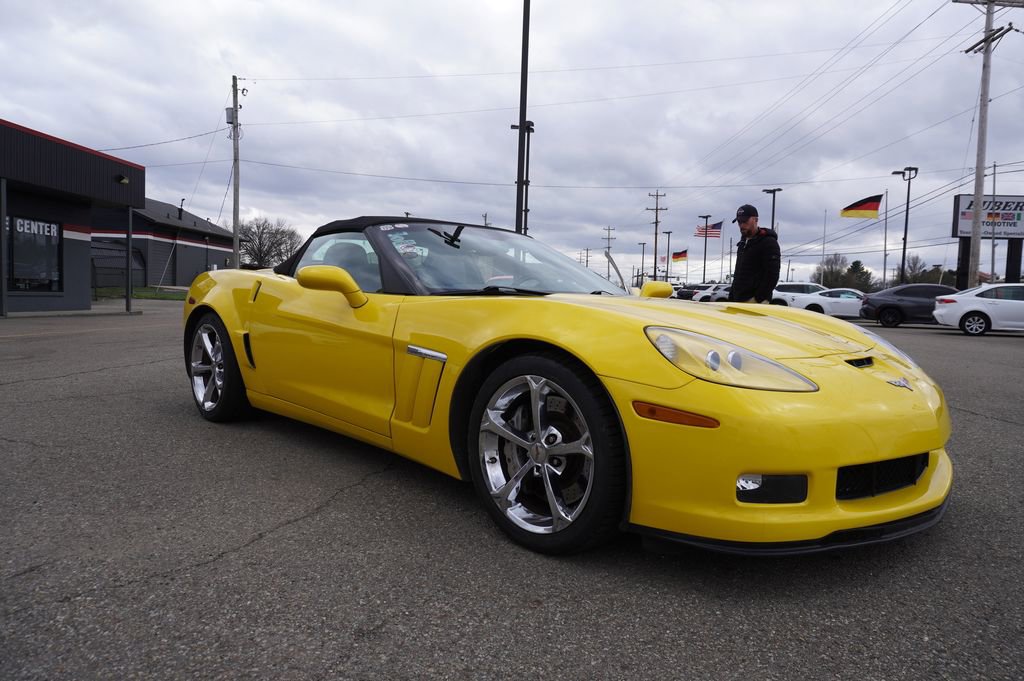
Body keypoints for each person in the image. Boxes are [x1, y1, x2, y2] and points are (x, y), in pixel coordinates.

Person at [727, 204, 780, 303]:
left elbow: (772, 275)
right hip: (737, 301)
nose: (741, 225)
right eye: (739, 222)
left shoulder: (768, 242)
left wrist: (757, 299)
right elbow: (738, 274)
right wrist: (731, 297)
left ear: (756, 220)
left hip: (755, 303)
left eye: (745, 221)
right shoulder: (742, 243)